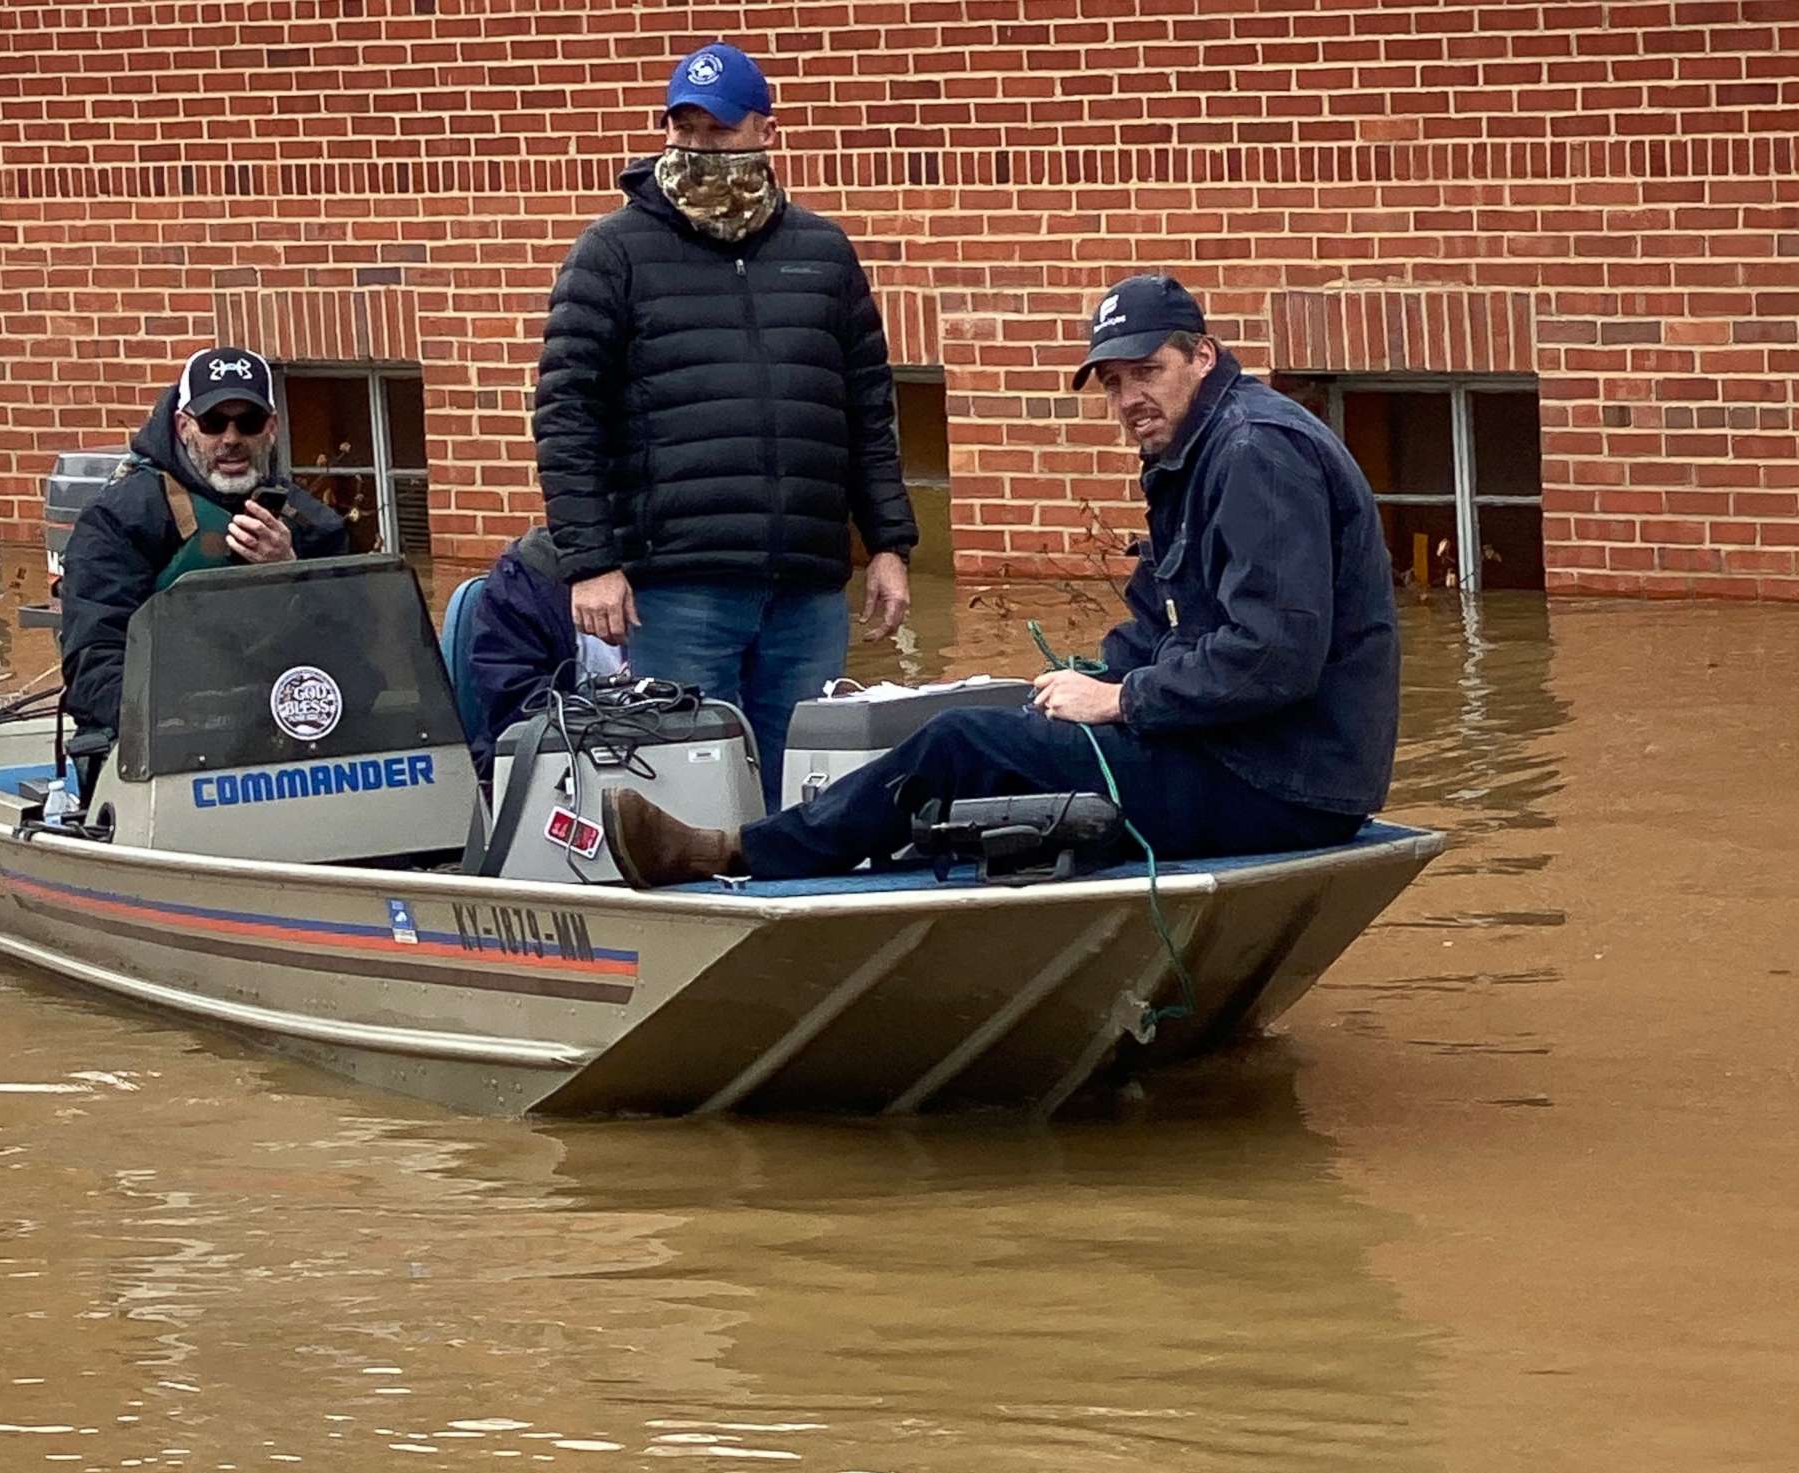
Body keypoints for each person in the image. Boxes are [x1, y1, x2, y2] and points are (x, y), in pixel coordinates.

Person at [600, 273, 1401, 889]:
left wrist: (1121, 701)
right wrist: (1077, 687)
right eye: (1114, 382)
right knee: (1001, 725)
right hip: (1265, 764)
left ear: (1202, 355)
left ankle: (733, 855)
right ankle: (837, 855)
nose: (1129, 399)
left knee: (961, 741)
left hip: (1277, 783)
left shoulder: (1254, 455)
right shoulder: (1200, 452)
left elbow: (1274, 654)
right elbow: (1158, 628)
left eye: (1146, 371)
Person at [534, 41, 918, 800]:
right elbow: (566, 413)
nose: (700, 147)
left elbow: (866, 409)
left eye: (720, 130)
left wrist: (889, 543)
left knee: (805, 797)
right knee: (693, 797)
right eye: (686, 129)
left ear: (764, 132)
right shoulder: (612, 253)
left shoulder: (825, 253)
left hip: (805, 589)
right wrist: (591, 561)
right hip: (677, 587)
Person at [59, 346, 348, 737]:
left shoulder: (313, 525)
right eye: (213, 422)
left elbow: (355, 655)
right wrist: (172, 727)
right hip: (167, 736)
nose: (231, 439)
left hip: (284, 732)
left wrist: (291, 575)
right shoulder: (119, 518)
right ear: (183, 426)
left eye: (249, 422)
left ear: (272, 427)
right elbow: (95, 665)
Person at [464, 524, 622, 770]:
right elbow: (513, 702)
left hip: (666, 757)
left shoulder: (685, 578)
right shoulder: (528, 573)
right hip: (553, 761)